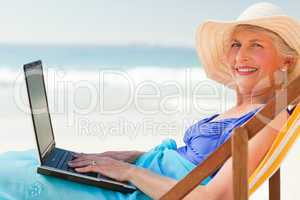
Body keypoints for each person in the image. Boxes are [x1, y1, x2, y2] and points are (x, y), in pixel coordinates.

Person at [0, 2, 299, 200]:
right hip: (139, 179)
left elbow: (214, 197)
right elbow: (196, 158)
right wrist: (131, 155)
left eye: (256, 45)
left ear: (287, 61)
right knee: (21, 159)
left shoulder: (271, 117)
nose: (240, 56)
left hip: (139, 192)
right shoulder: (245, 106)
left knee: (10, 175)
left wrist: (128, 172)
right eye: (236, 44)